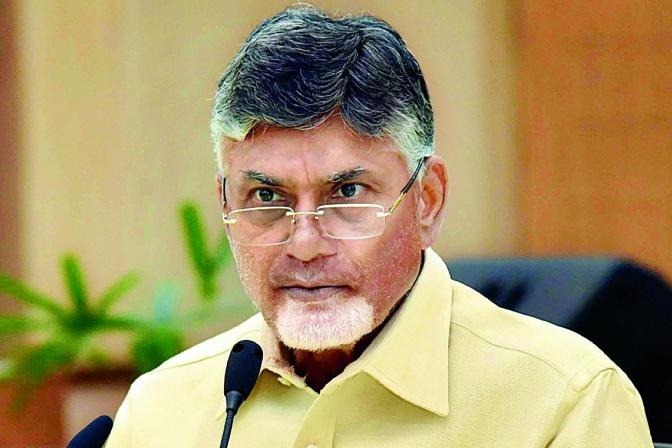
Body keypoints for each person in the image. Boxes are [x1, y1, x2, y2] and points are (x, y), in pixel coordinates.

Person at [105, 5, 652, 447]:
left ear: (427, 201)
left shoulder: (564, 401)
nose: (305, 245)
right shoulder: (160, 412)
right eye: (267, 197)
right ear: (226, 205)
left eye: (347, 193)